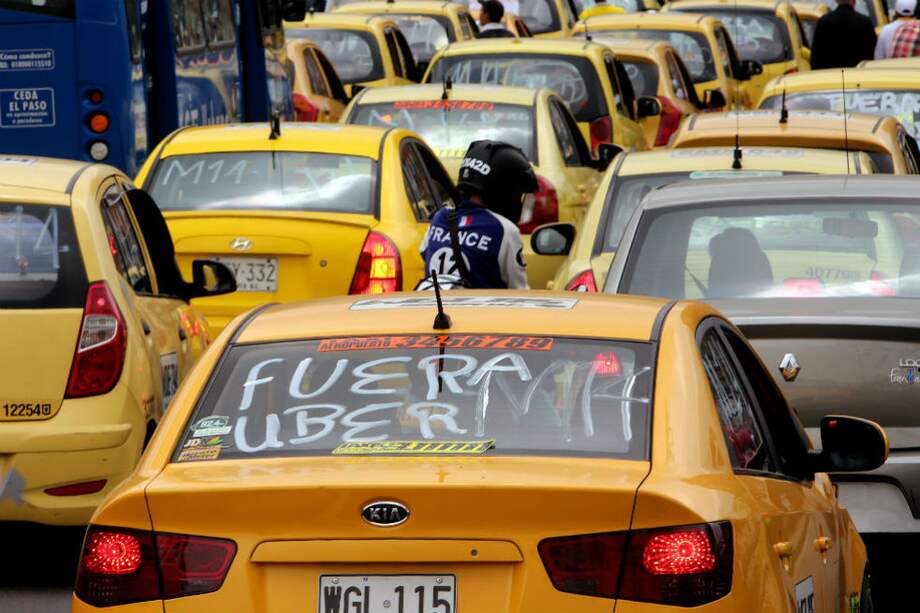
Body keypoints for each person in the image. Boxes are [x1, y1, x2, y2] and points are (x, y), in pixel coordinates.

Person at [420, 140, 539, 289]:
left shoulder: (440, 218)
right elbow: (520, 292)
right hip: (481, 312)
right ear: (506, 191)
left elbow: (424, 253)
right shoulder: (503, 230)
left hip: (435, 311)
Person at [810, 0, 876, 69]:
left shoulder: (823, 22)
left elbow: (815, 59)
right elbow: (872, 57)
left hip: (831, 76)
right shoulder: (865, 23)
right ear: (854, 1)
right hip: (859, 76)